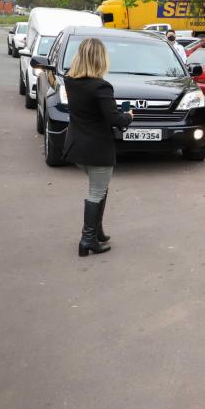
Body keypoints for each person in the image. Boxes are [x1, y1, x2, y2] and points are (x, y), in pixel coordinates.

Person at [62, 38, 133, 257]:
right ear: (100, 59)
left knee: (100, 188)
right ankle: (87, 240)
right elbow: (114, 119)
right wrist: (128, 116)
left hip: (77, 146)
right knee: (96, 191)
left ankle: (97, 231)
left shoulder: (70, 80)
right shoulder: (101, 86)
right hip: (97, 149)